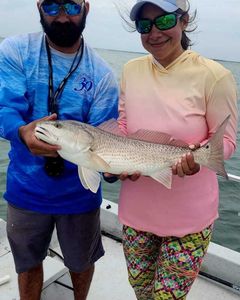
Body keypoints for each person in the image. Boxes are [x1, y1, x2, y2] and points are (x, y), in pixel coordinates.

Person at [113, 0, 238, 299]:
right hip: (136, 213)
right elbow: (123, 123)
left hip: (190, 220)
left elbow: (227, 142)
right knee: (142, 292)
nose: (154, 32)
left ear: (184, 20)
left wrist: (199, 158)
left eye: (165, 21)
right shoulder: (131, 69)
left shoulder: (215, 75)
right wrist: (114, 160)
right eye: (145, 25)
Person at [0, 0, 118, 299]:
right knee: (27, 263)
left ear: (86, 8)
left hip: (79, 194)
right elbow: (4, 107)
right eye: (52, 6)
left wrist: (116, 171)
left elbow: (106, 139)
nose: (63, 16)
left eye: (71, 6)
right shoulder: (15, 50)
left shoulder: (103, 75)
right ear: (39, 7)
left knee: (81, 262)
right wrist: (21, 132)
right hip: (25, 190)